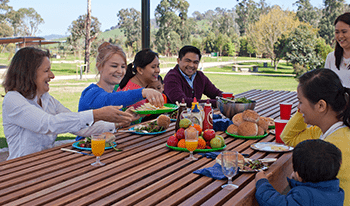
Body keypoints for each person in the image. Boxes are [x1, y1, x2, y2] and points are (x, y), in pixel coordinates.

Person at [2, 47, 134, 160]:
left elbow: (79, 127)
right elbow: (48, 124)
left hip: (44, 164)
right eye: (46, 70)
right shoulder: (13, 99)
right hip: (20, 168)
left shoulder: (47, 99)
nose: (52, 75)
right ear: (29, 74)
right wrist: (95, 114)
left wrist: (118, 122)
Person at [280, 68, 350, 205]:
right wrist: (304, 108)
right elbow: (289, 138)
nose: (299, 109)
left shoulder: (332, 149)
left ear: (321, 105)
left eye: (300, 102)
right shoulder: (325, 132)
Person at [78, 42, 164, 139]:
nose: (120, 71)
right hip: (85, 149)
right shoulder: (91, 93)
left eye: (123, 66)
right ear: (99, 67)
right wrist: (143, 92)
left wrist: (125, 119)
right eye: (114, 66)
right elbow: (109, 100)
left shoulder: (113, 93)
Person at [255, 139, 344, 206]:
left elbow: (272, 202)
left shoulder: (303, 197)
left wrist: (262, 181)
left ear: (297, 175)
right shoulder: (337, 192)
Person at [325, 12, 350, 88]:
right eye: (337, 32)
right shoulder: (331, 57)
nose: (340, 36)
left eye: (344, 32)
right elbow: (326, 86)